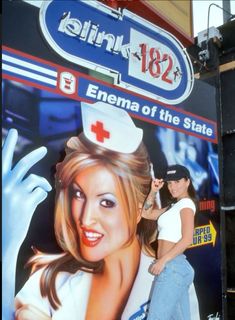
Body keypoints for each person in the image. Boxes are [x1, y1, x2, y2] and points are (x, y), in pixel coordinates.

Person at [2, 102, 199, 320]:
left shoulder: (171, 278)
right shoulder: (50, 283)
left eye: (106, 202)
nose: (85, 218)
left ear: (137, 209)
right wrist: (7, 248)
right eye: (78, 195)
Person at [142, 164, 198, 320]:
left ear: (187, 182)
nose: (172, 187)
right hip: (176, 269)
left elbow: (187, 239)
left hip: (172, 268)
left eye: (177, 181)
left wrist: (162, 261)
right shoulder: (173, 207)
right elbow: (146, 213)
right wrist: (153, 191)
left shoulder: (186, 204)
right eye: (169, 183)